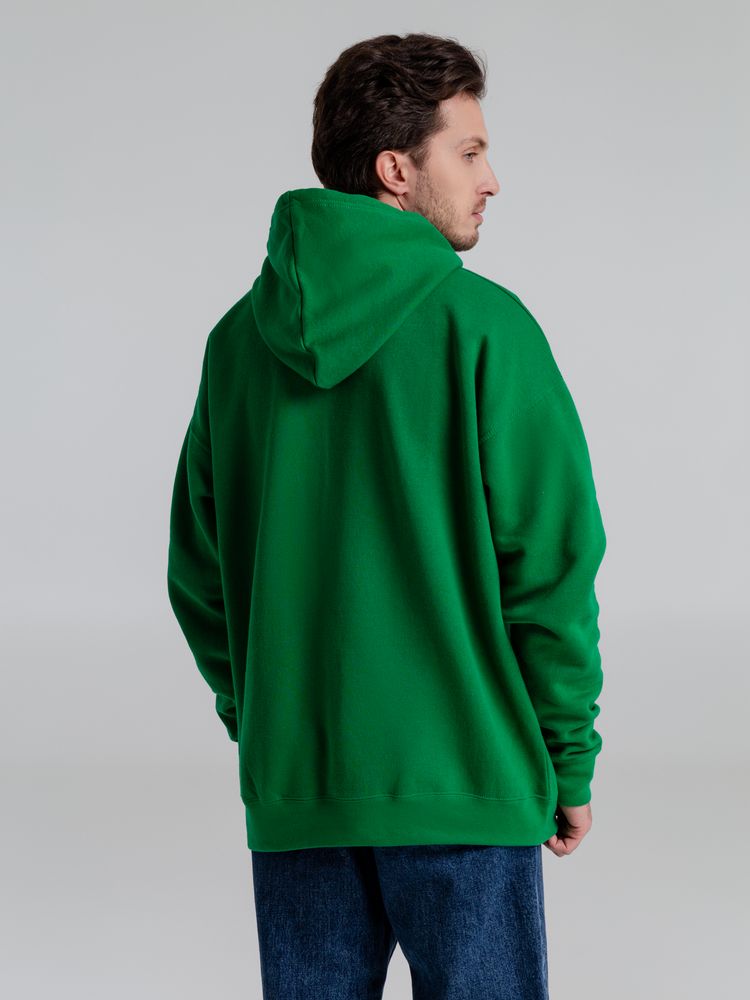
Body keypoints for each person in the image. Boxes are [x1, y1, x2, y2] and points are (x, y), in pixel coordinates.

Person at [167, 31, 607, 1000]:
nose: (492, 179)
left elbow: (198, 572)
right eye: (470, 151)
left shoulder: (237, 345)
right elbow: (552, 566)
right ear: (396, 170)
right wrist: (568, 756)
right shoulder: (486, 328)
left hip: (302, 791)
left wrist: (268, 717)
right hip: (466, 784)